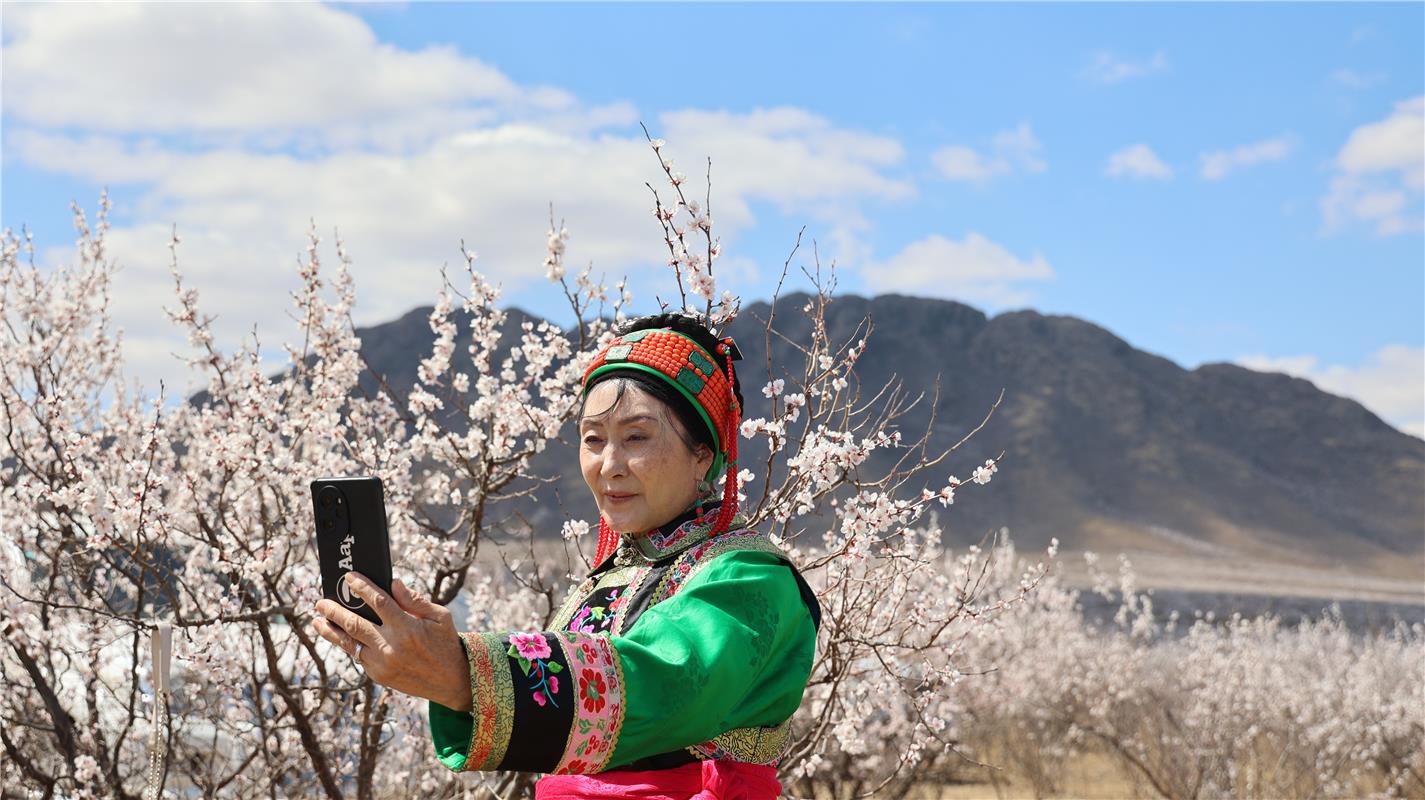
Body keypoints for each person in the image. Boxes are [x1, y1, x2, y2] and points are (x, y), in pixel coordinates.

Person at [313, 313, 821, 798]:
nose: (609, 465)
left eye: (637, 438)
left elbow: (665, 679)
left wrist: (463, 673)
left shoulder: (748, 577)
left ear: (703, 455)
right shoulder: (612, 576)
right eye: (593, 439)